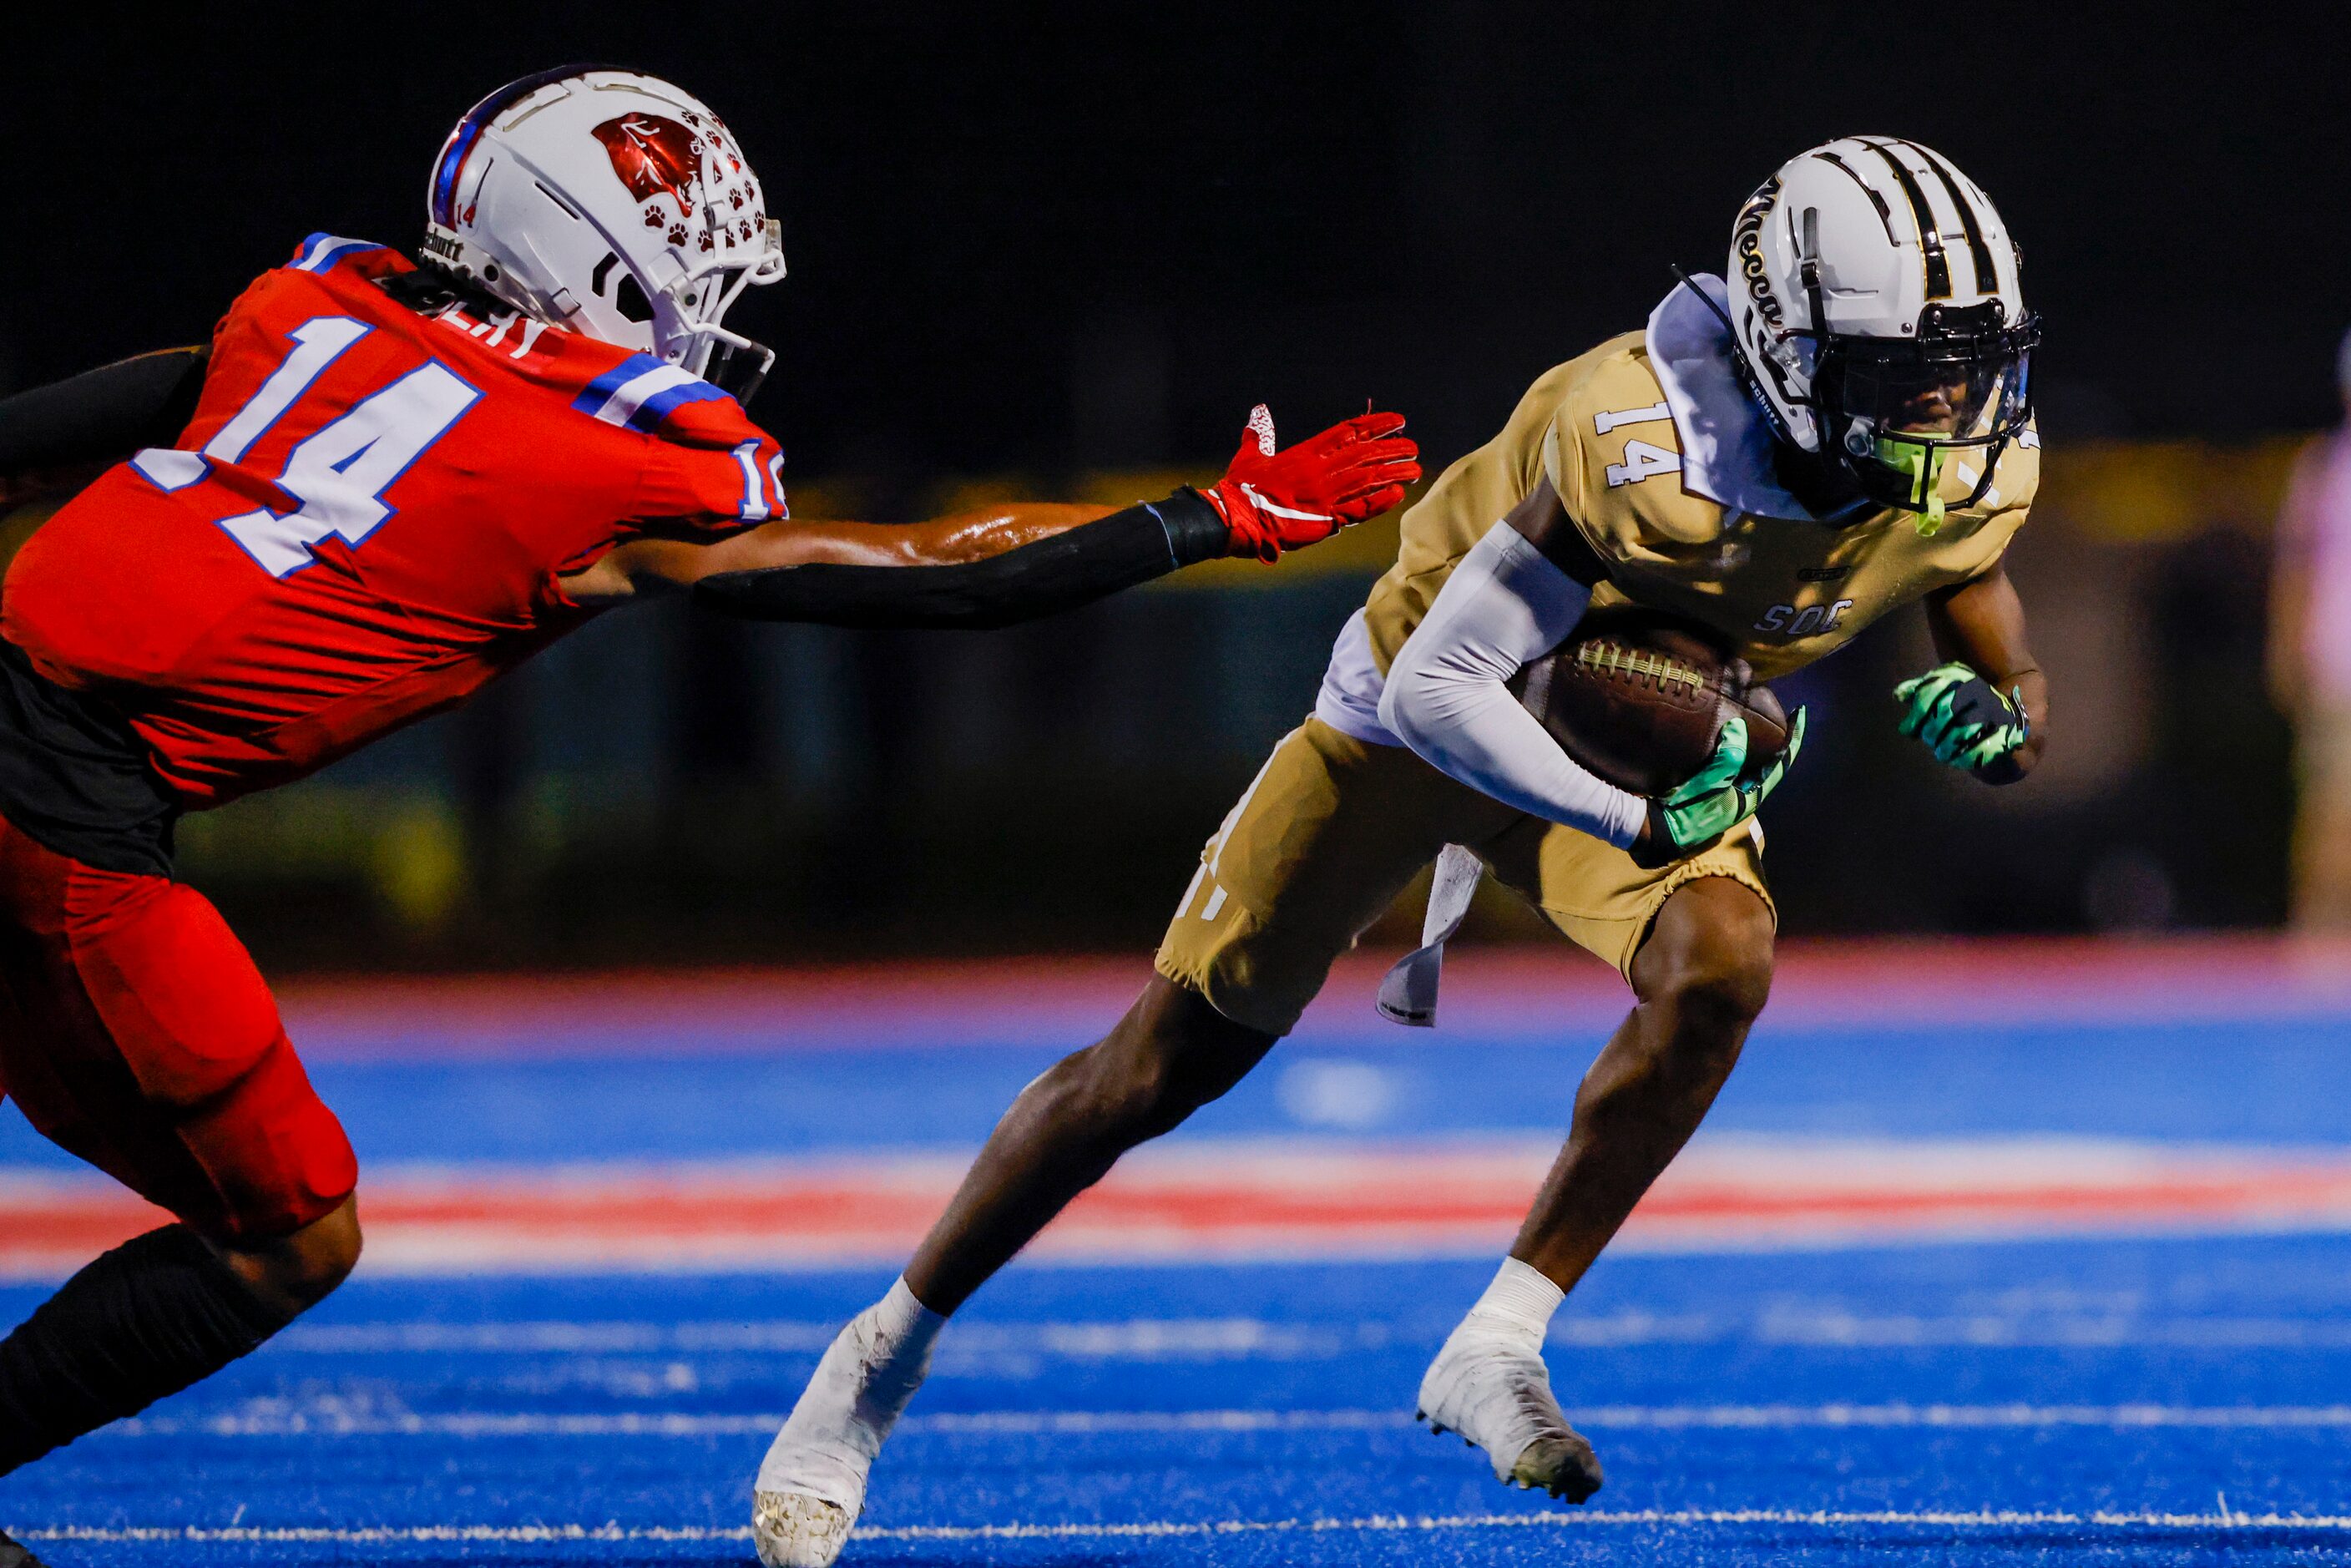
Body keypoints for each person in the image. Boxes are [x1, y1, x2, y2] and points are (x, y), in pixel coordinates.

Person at [0, 65, 1417, 1549]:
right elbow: (940, 574)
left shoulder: (304, 311)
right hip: (66, 827)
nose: (711, 308)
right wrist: (1204, 516)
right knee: (290, 1232)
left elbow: (50, 433)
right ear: (597, 262)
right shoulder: (613, 458)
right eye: (689, 267)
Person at [752, 135, 2050, 1568]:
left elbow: (1968, 574)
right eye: (1906, 372)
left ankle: (1498, 1339)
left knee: (1722, 963)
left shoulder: (1969, 463)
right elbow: (1446, 686)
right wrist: (1634, 820)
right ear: (1784, 343)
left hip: (1632, 739)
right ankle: (874, 1360)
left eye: (1969, 367)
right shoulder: (1640, 437)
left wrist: (2008, 711)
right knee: (1155, 1066)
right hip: (1420, 709)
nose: (1950, 406)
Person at [2268, 328, 2351, 930]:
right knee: (2332, 814)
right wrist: (2285, 652)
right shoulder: (2324, 468)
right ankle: (2321, 940)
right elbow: (2296, 570)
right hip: (2339, 668)